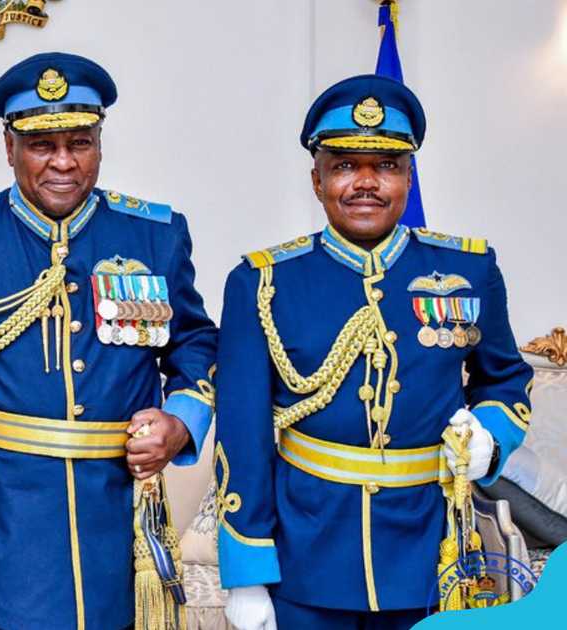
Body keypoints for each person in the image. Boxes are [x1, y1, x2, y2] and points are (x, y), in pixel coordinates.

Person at [0, 52, 218, 629]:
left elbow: (195, 342)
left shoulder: (156, 234)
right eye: (43, 145)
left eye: (81, 142)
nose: (63, 163)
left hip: (117, 516)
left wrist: (181, 421)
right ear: (9, 146)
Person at [215, 74, 534, 630]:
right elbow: (243, 435)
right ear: (316, 181)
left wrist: (490, 435)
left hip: (430, 555)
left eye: (385, 166)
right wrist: (247, 570)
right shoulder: (262, 282)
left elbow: (504, 381)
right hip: (306, 556)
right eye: (344, 166)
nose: (365, 183)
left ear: (409, 176)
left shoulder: (470, 271)